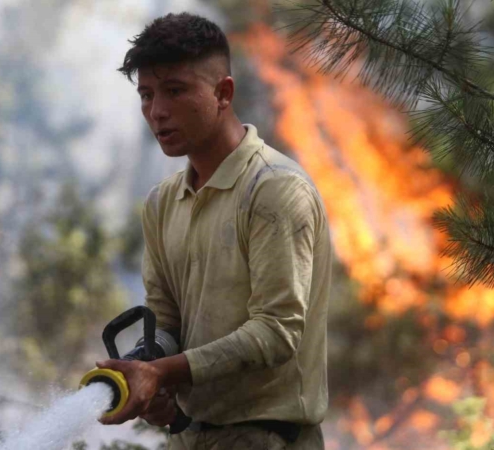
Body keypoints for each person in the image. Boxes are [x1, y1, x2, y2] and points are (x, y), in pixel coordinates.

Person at [95, 12, 332, 450]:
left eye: (175, 91)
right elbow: (166, 323)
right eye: (146, 94)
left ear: (223, 93)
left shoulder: (274, 190)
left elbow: (277, 332)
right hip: (191, 438)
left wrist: (164, 372)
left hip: (269, 438)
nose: (157, 111)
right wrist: (148, 368)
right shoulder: (163, 203)